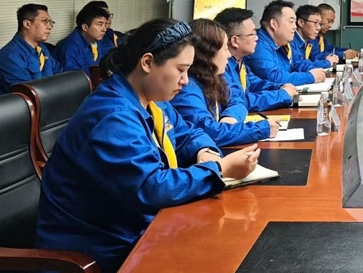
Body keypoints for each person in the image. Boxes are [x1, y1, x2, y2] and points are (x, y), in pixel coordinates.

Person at [36, 19, 260, 272]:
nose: (186, 81)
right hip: (103, 247)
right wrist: (219, 169)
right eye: (181, 70)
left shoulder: (153, 99)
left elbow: (189, 133)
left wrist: (204, 152)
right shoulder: (114, 117)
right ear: (147, 62)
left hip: (137, 228)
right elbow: (151, 188)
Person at [170, 19, 281, 147]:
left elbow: (237, 101)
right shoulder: (187, 89)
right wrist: (261, 129)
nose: (229, 55)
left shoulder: (215, 78)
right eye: (225, 49)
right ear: (208, 53)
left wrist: (230, 118)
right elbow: (208, 131)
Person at [214, 7, 296, 112]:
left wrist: (280, 87)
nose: (257, 38)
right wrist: (281, 95)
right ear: (235, 41)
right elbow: (241, 101)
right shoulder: (222, 67)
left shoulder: (239, 61)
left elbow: (254, 84)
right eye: (252, 34)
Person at [245, 0, 327, 86]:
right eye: (291, 22)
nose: (295, 27)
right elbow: (274, 77)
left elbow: (297, 63)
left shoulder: (282, 43)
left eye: (295, 22)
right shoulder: (258, 46)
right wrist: (310, 77)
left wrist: (315, 71)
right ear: (273, 24)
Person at [0, 3, 62, 91]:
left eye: (50, 22)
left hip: (51, 96)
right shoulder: (10, 56)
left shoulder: (42, 48)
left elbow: (60, 73)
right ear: (27, 24)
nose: (49, 27)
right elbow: (28, 93)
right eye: (45, 21)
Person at [53, 2, 110, 75]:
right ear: (85, 27)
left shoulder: (101, 41)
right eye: (100, 25)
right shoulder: (69, 46)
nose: (104, 29)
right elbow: (73, 78)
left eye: (105, 25)